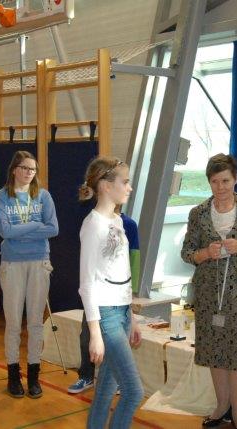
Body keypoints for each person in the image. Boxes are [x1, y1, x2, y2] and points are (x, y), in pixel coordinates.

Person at [181, 154, 237, 429]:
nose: (220, 187)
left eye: (225, 181)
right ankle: (221, 406)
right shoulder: (198, 213)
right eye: (214, 182)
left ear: (236, 179)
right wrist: (205, 253)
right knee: (214, 350)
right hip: (208, 293)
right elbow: (187, 253)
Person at [78, 156, 143, 428]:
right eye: (124, 182)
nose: (129, 187)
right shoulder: (92, 225)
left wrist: (132, 316)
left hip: (122, 313)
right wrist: (95, 334)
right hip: (106, 316)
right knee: (133, 391)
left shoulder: (117, 220)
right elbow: (87, 283)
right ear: (106, 186)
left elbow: (122, 273)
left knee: (105, 389)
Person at [0, 151, 59, 398]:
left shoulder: (43, 196)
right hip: (12, 263)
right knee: (13, 323)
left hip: (39, 261)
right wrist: (35, 225)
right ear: (14, 170)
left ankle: (34, 375)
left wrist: (19, 230)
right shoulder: (1, 197)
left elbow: (53, 229)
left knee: (35, 322)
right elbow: (5, 232)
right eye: (25, 168)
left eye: (33, 169)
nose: (29, 173)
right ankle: (13, 375)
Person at [68, 211, 139, 395]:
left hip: (118, 298)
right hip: (97, 294)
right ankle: (86, 376)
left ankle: (116, 380)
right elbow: (89, 266)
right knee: (87, 337)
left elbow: (133, 260)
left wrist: (131, 300)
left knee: (116, 342)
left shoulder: (128, 224)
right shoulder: (94, 222)